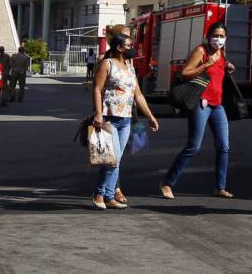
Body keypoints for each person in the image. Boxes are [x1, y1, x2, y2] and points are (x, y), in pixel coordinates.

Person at [160, 22, 236, 199]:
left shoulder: (221, 53)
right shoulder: (201, 51)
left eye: (222, 36)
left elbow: (217, 75)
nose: (218, 39)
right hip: (201, 103)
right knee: (194, 146)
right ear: (209, 36)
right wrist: (206, 64)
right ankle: (167, 182)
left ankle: (220, 187)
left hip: (218, 104)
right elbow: (185, 73)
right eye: (215, 36)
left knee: (224, 146)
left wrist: (227, 67)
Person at [92, 31, 160, 210]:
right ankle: (99, 193)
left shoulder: (130, 68)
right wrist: (98, 114)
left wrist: (151, 116)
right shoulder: (107, 64)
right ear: (119, 48)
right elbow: (97, 89)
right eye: (129, 46)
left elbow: (138, 95)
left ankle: (108, 196)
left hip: (126, 120)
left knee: (116, 160)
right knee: (113, 160)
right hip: (109, 118)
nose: (132, 48)